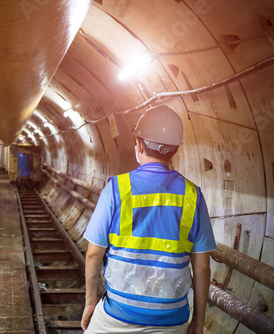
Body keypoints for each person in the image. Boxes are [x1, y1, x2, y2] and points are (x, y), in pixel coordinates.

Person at [81, 105, 216, 334]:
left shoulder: (117, 188)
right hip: (172, 320)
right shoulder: (193, 196)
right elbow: (202, 267)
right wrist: (198, 321)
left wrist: (90, 302)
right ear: (175, 149)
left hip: (118, 314)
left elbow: (94, 253)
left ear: (140, 144)